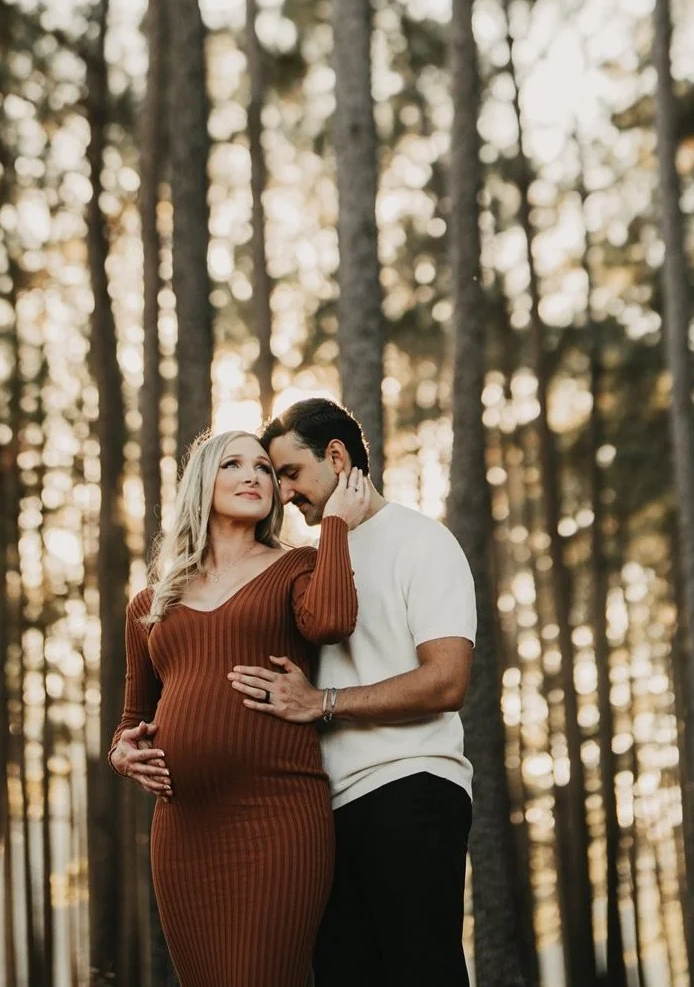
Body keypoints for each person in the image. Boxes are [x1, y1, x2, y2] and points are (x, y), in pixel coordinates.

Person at [229, 396, 477, 987]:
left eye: (290, 473)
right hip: (323, 810)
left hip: (411, 786)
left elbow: (447, 679)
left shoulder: (423, 541)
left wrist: (325, 703)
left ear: (336, 457)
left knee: (422, 971)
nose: (283, 494)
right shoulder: (313, 563)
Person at [109, 426, 367, 987]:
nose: (253, 475)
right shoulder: (151, 604)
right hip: (183, 827)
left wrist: (336, 527)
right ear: (203, 482)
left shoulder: (295, 565)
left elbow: (331, 621)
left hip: (278, 814)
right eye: (233, 464)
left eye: (264, 469)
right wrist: (122, 755)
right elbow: (132, 721)